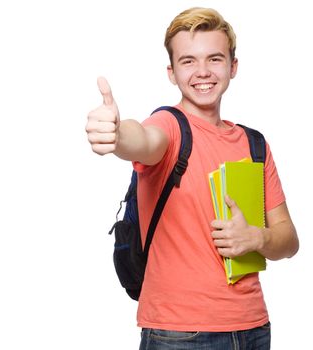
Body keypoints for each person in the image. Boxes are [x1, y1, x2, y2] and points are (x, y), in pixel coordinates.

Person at [85, 7, 298, 349]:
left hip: (254, 328)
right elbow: (142, 140)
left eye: (214, 59)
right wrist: (116, 135)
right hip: (180, 334)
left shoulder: (254, 143)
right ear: (171, 72)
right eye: (188, 61)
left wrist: (256, 238)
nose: (202, 72)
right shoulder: (169, 126)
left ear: (233, 66)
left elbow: (288, 240)